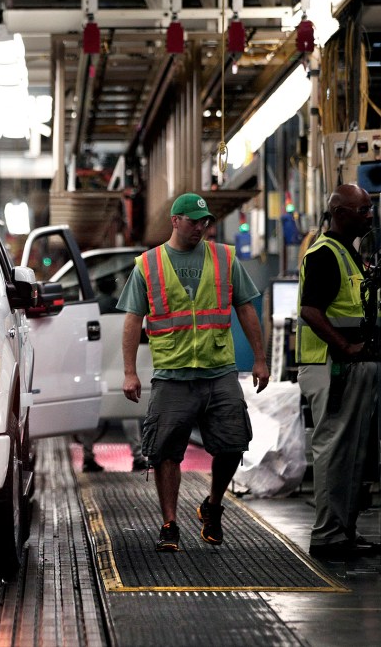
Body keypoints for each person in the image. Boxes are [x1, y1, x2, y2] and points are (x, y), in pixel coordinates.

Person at [119, 193, 269, 552]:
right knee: (166, 452)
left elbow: (246, 309)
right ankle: (169, 524)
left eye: (205, 221)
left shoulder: (224, 257)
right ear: (175, 220)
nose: (201, 226)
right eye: (193, 220)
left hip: (219, 371)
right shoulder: (149, 264)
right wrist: (129, 371)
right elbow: (132, 319)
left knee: (234, 444)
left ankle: (212, 506)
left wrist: (260, 360)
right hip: (173, 374)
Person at [296, 183, 380, 559]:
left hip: (349, 366)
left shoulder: (351, 254)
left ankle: (342, 532)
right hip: (332, 367)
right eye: (363, 210)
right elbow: (311, 311)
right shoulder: (325, 254)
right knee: (333, 450)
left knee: (352, 452)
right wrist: (344, 347)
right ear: (341, 214)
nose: (370, 216)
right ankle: (327, 536)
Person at [79, 273, 147, 473]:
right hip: (119, 368)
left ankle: (88, 457)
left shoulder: (90, 309)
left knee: (92, 412)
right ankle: (137, 457)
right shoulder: (122, 307)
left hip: (94, 368)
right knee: (128, 411)